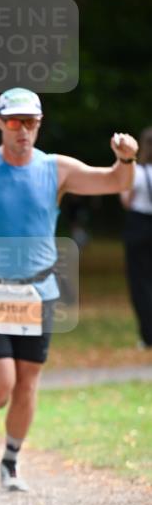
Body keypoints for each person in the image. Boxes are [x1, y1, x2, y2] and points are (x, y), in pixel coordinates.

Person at [0, 88, 138, 491]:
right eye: (15, 122)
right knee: (0, 384)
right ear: (0, 122)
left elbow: (114, 181)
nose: (23, 131)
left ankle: (11, 460)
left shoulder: (56, 168)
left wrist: (126, 157)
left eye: (30, 122)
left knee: (28, 383)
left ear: (39, 124)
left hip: (36, 292)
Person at [120, 126, 152, 349]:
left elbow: (126, 201)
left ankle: (148, 334)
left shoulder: (138, 173)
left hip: (139, 226)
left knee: (140, 283)